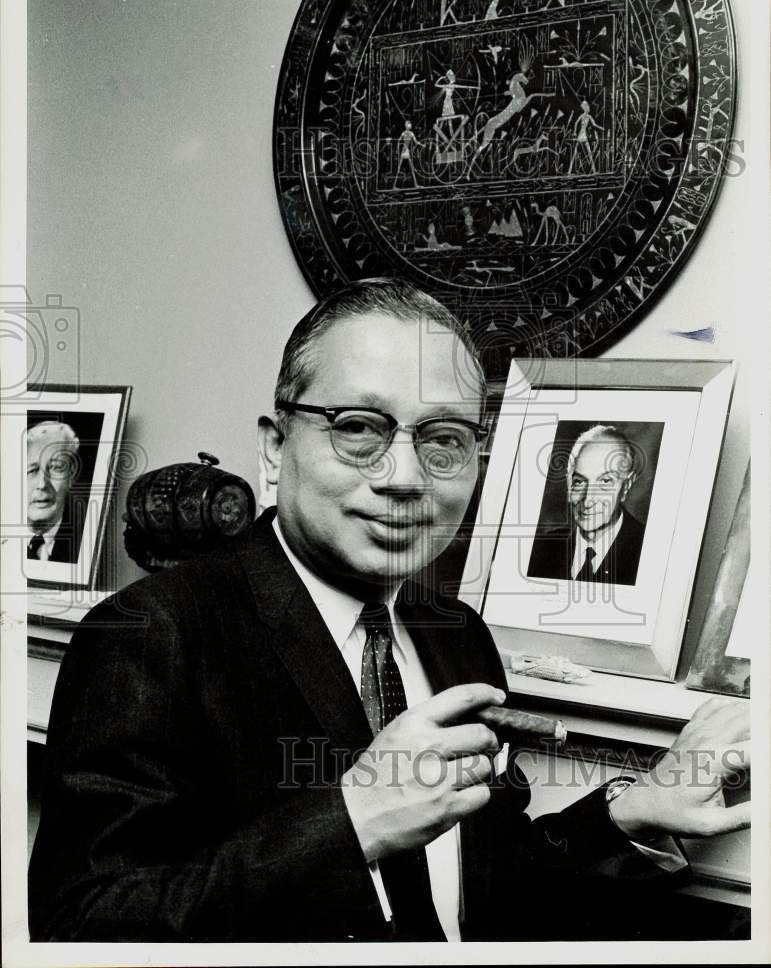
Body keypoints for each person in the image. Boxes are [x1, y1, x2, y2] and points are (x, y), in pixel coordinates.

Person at [29, 280, 750, 942]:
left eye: (442, 440)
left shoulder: (456, 635)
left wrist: (634, 808)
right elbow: (80, 928)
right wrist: (349, 826)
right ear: (274, 448)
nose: (403, 477)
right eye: (358, 427)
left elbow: (485, 882)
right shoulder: (152, 635)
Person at [528, 424, 646, 586]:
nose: (588, 500)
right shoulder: (538, 550)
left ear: (626, 486)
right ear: (569, 485)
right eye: (579, 482)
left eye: (605, 481)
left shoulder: (649, 551)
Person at [26, 420, 82, 564]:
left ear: (72, 475)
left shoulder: (84, 539)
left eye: (56, 468)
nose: (42, 484)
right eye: (31, 471)